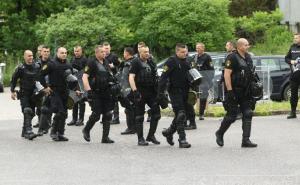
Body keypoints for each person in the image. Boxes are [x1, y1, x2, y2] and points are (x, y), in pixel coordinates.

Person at [215, 38, 258, 148]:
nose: (248, 47)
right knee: (231, 116)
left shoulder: (248, 57)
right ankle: (219, 133)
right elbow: (227, 75)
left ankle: (246, 140)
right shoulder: (232, 57)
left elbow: (250, 73)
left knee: (248, 113)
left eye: (248, 44)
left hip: (246, 91)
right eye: (246, 45)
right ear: (239, 46)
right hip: (234, 90)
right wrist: (229, 91)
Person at [41, 47, 78, 141]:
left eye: (65, 53)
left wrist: (76, 89)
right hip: (54, 91)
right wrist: (45, 87)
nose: (64, 54)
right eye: (62, 53)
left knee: (64, 113)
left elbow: (72, 78)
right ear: (57, 53)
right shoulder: (51, 64)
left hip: (65, 91)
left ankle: (60, 133)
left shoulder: (68, 64)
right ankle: (53, 131)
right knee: (60, 112)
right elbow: (40, 74)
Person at [158, 43, 192, 148]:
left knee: (181, 115)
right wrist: (160, 93)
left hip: (185, 91)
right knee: (181, 114)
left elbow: (191, 76)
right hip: (174, 91)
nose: (184, 53)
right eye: (182, 52)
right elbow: (163, 77)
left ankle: (169, 132)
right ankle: (182, 139)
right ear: (177, 52)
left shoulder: (187, 61)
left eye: (185, 51)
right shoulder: (171, 61)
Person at [81, 45, 115, 143]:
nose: (104, 53)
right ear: (96, 53)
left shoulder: (106, 62)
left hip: (106, 92)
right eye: (102, 52)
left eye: (105, 52)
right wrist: (89, 91)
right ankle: (86, 129)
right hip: (95, 92)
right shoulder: (91, 62)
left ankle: (105, 137)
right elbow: (84, 77)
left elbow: (110, 76)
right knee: (96, 114)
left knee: (107, 114)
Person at [128, 45, 161, 146]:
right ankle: (140, 138)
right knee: (139, 116)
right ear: (140, 53)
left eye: (148, 51)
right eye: (145, 52)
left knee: (156, 114)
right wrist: (135, 91)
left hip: (151, 92)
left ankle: (151, 135)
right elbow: (131, 77)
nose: (147, 53)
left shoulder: (151, 62)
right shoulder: (135, 62)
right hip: (140, 91)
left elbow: (155, 76)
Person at [10, 50, 44, 140]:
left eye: (32, 56)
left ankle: (24, 130)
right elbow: (14, 80)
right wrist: (12, 91)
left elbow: (41, 78)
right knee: (27, 110)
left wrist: (44, 89)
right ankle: (29, 131)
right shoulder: (20, 68)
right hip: (24, 93)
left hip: (34, 94)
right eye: (29, 56)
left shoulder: (37, 66)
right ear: (24, 57)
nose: (31, 58)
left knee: (31, 113)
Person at [192, 42, 214, 120]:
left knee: (203, 96)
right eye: (196, 48)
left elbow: (211, 69)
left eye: (199, 48)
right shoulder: (195, 57)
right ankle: (191, 113)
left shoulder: (207, 57)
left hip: (204, 80)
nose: (197, 49)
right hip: (196, 80)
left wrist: (208, 80)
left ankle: (201, 114)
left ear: (203, 48)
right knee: (193, 95)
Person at [67, 46, 87, 126]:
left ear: (81, 51)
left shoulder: (85, 60)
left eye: (78, 51)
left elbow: (87, 71)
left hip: (81, 81)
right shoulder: (72, 59)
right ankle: (74, 119)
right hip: (74, 81)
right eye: (75, 51)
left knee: (81, 101)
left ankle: (81, 119)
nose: (76, 52)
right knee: (74, 100)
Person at [36, 45, 53, 136]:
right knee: (40, 108)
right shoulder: (37, 63)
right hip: (40, 88)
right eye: (44, 51)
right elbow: (36, 76)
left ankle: (45, 126)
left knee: (47, 107)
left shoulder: (52, 62)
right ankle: (42, 126)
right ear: (41, 52)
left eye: (47, 51)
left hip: (50, 87)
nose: (46, 53)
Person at [119, 47, 136, 135]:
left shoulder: (127, 64)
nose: (123, 54)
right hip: (136, 88)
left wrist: (123, 89)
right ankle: (136, 127)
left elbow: (124, 78)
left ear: (127, 53)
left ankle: (130, 128)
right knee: (134, 108)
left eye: (124, 52)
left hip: (129, 89)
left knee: (129, 109)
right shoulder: (136, 61)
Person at [103, 42, 121, 125]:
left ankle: (116, 118)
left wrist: (114, 67)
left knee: (114, 98)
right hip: (104, 80)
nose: (106, 50)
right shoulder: (101, 56)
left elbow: (121, 66)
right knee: (105, 99)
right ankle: (106, 117)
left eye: (107, 48)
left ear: (110, 48)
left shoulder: (114, 56)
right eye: (105, 48)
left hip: (113, 80)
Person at [285, 33, 300, 119]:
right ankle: (293, 112)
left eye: (296, 38)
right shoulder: (292, 47)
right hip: (294, 76)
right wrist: (291, 62)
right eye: (294, 38)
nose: (295, 39)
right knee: (293, 95)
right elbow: (286, 58)